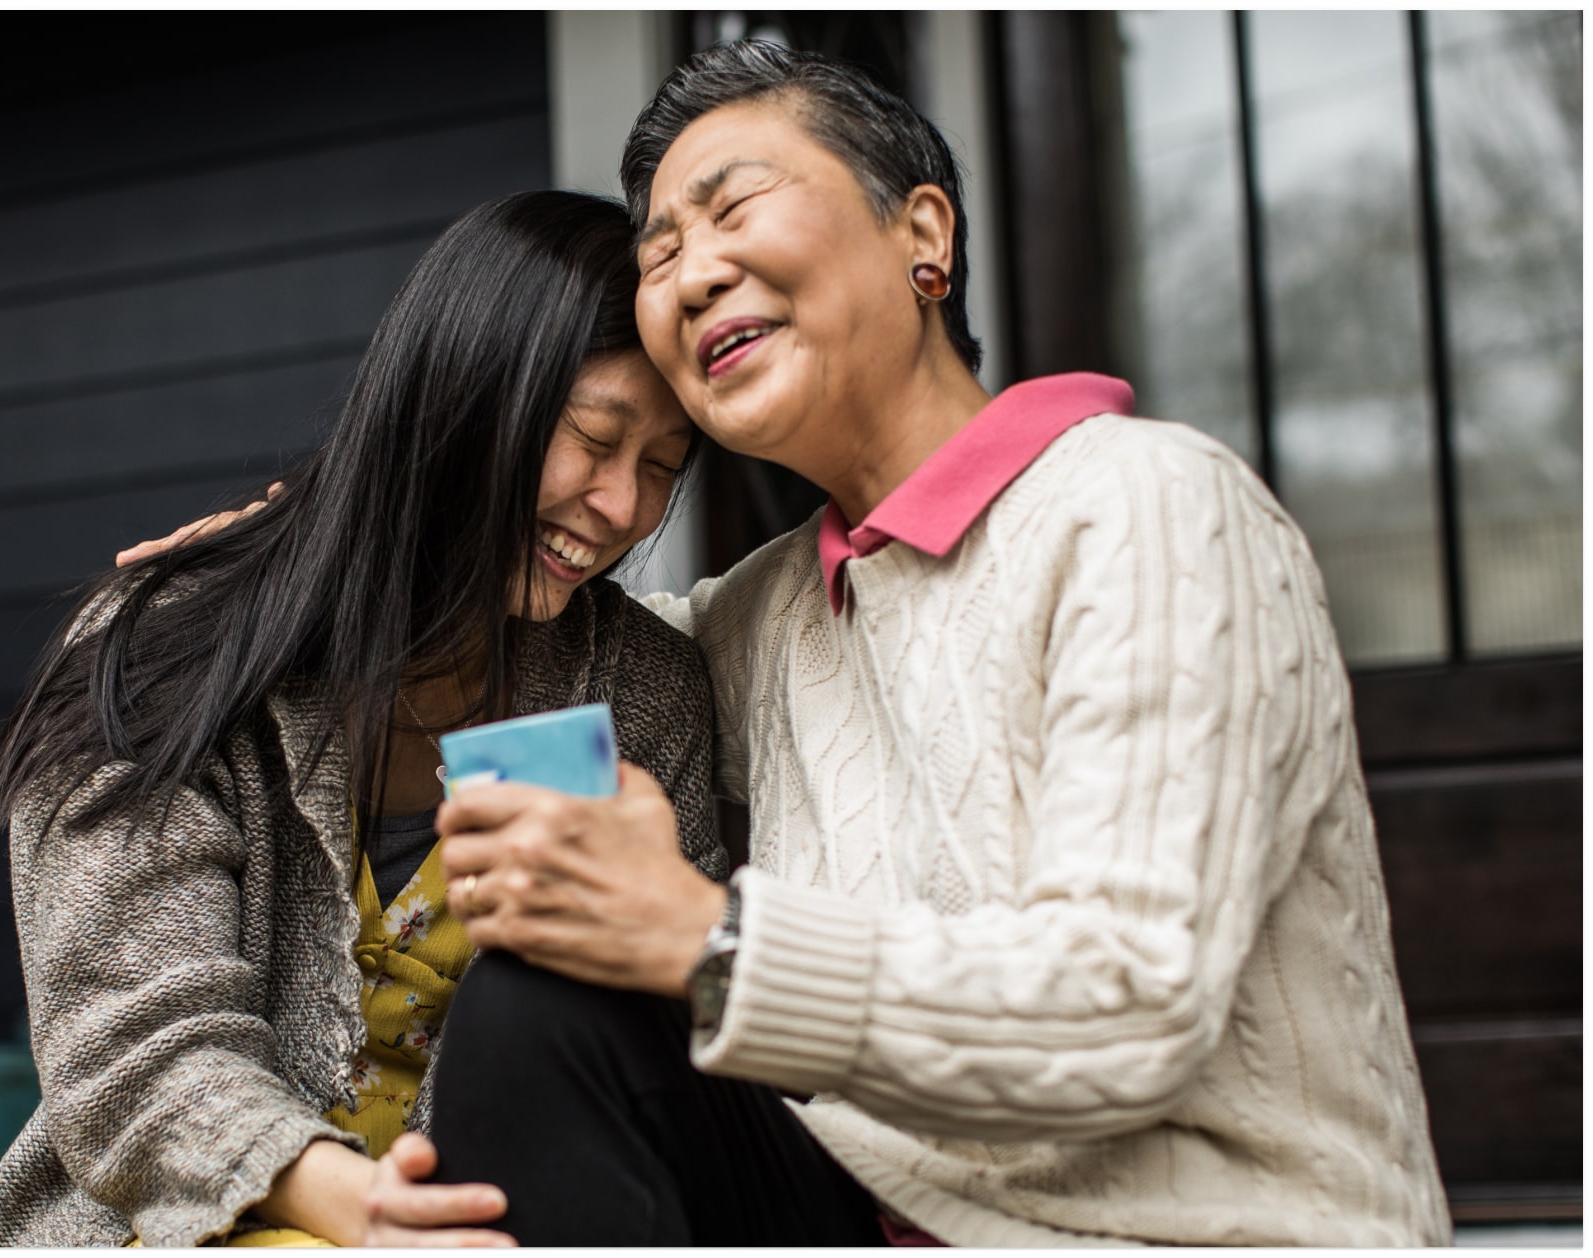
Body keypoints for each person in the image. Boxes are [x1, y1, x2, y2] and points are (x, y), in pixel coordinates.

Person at [118, 41, 1453, 1248]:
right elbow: (502, 592)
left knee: (588, 970)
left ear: (922, 233)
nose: (691, 266)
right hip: (868, 1217)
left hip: (1201, 1232)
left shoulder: (1149, 508)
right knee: (550, 996)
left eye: (735, 205)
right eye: (658, 249)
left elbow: (1132, 1002)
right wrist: (325, 534)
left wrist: (707, 938)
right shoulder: (768, 616)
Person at [0, 190, 727, 1248]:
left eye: (661, 468)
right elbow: (133, 1047)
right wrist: (367, 1215)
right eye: (594, 439)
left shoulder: (641, 692)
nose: (622, 508)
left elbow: (659, 1041)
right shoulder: (170, 647)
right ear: (461, 398)